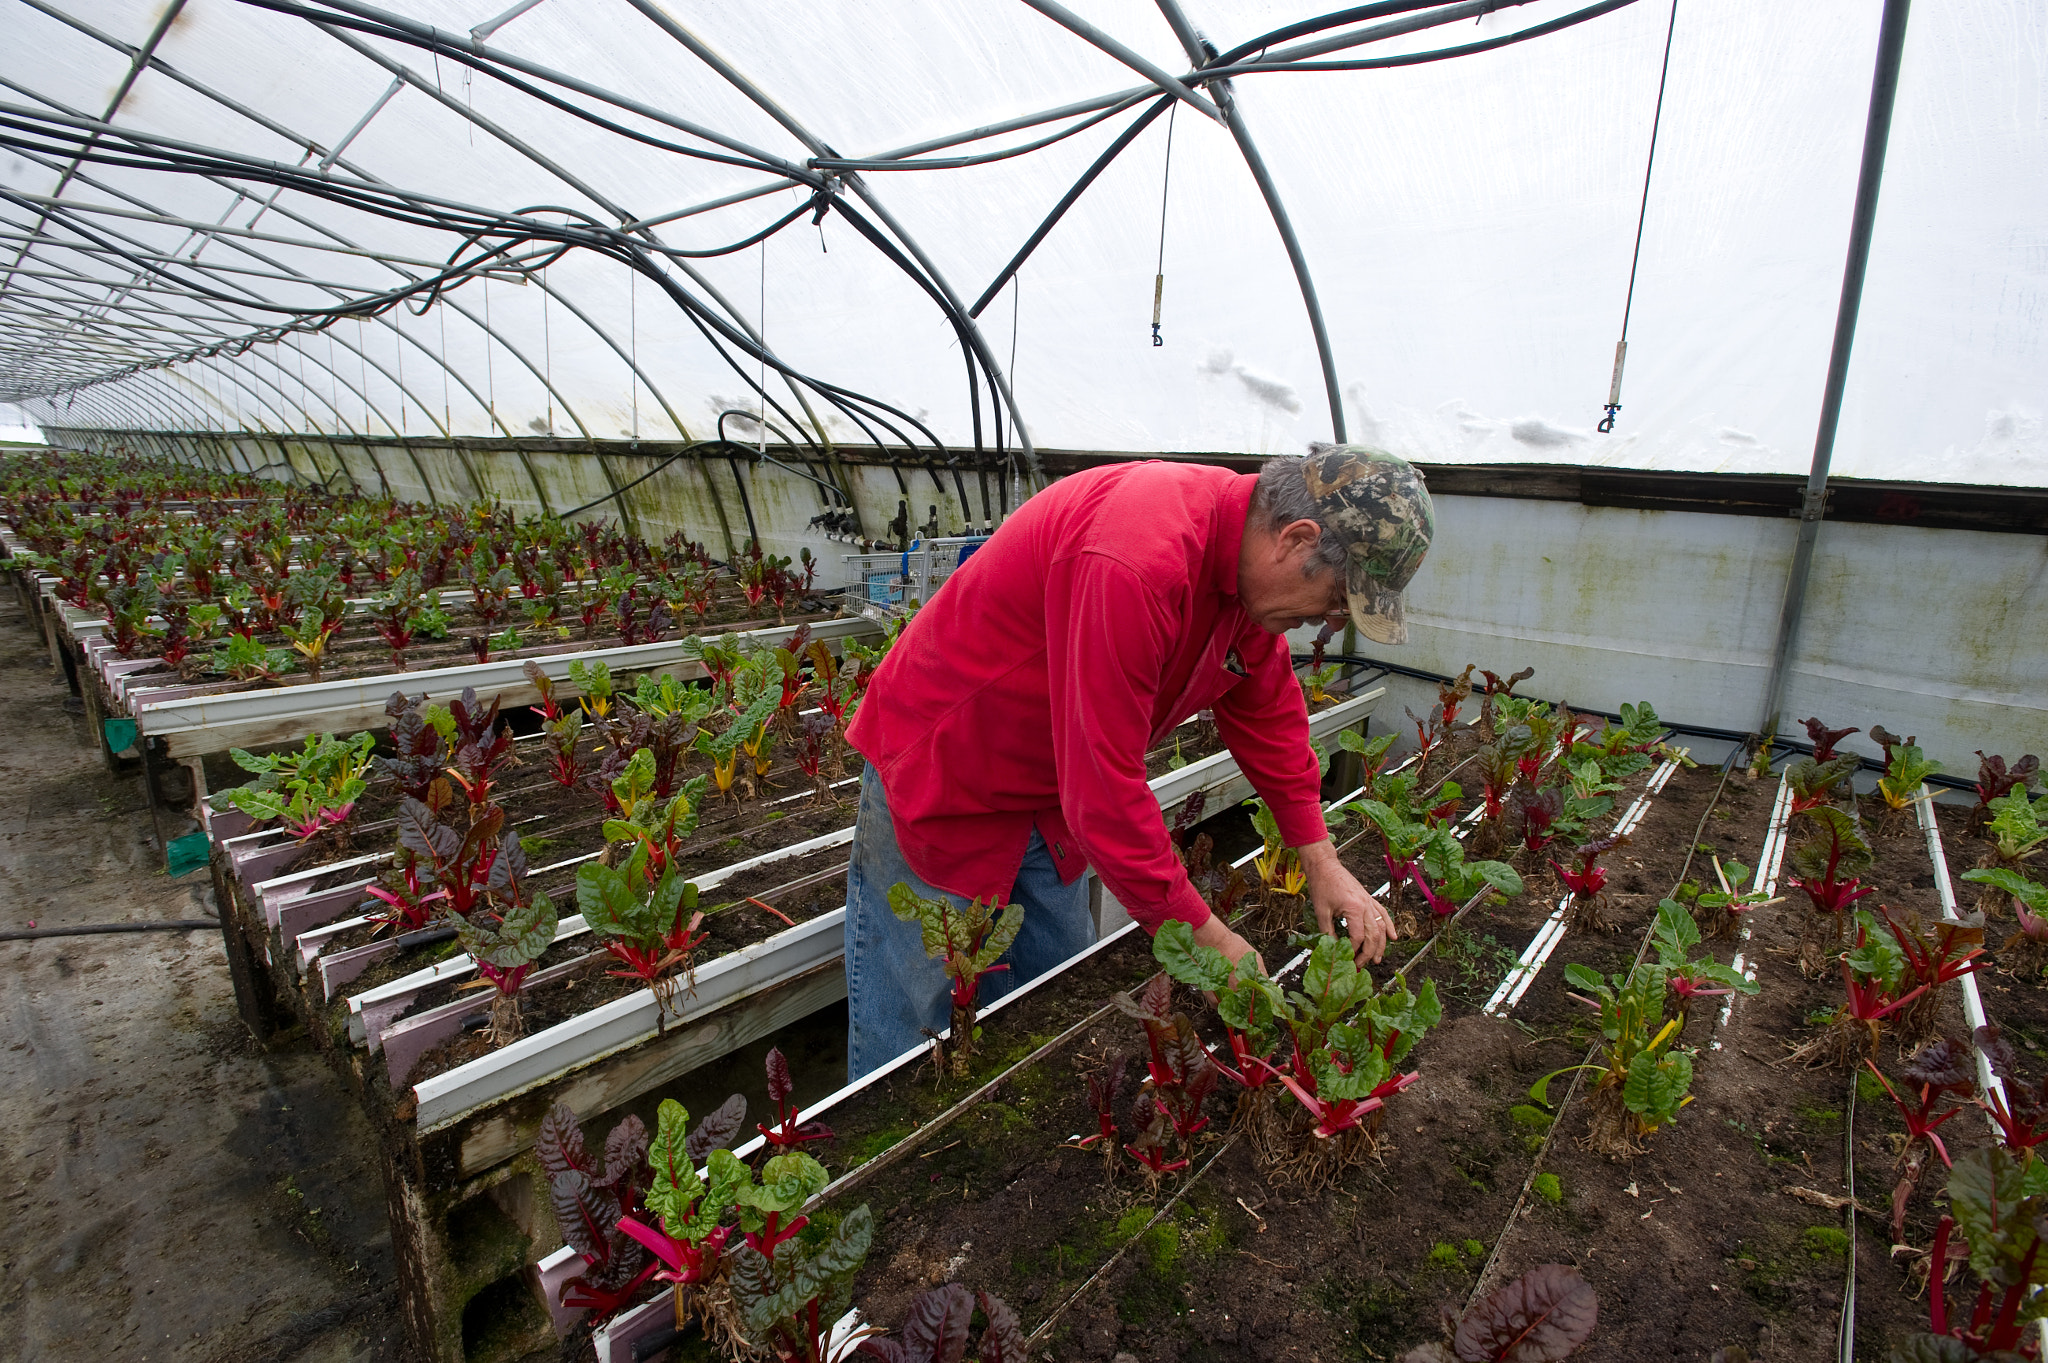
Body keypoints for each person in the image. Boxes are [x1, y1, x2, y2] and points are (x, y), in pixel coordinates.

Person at [840, 445, 1436, 1080]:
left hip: (1045, 791)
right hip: (948, 768)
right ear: (1296, 539)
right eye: (1338, 600)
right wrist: (1207, 940)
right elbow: (1103, 789)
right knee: (911, 1022)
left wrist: (1321, 859)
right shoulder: (1135, 556)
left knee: (1055, 994)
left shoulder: (1244, 583)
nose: (1329, 619)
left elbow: (1267, 713)